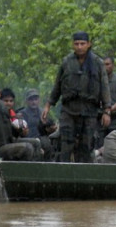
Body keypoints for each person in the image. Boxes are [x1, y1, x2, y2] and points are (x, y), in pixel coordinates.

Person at [42, 31, 111, 163]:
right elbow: (58, 85)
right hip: (69, 109)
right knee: (66, 143)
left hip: (90, 109)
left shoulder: (97, 63)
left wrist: (107, 110)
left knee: (87, 145)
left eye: (82, 44)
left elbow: (104, 87)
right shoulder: (67, 62)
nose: (79, 47)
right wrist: (48, 104)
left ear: (88, 44)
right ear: (73, 45)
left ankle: (84, 175)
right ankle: (64, 174)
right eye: (76, 44)